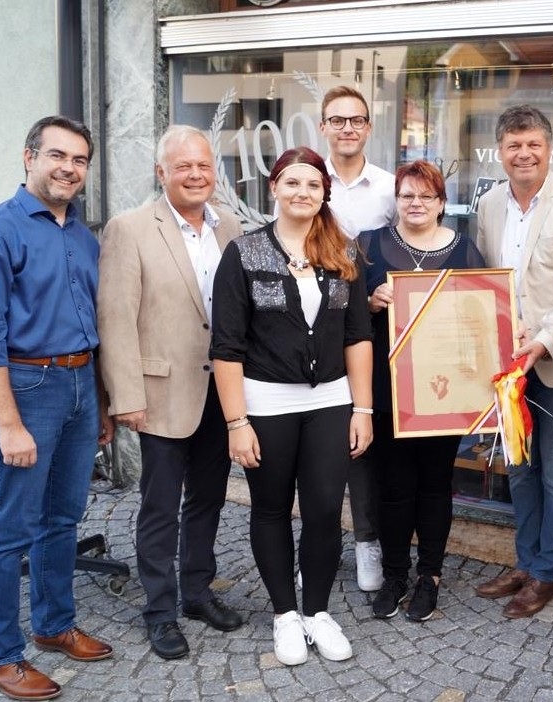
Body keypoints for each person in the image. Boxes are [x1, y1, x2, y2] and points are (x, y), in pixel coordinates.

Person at [210, 147, 373, 666]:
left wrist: (363, 409)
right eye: (292, 183)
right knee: (272, 507)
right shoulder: (245, 253)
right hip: (266, 401)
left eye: (313, 184)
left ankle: (318, 611)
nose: (303, 192)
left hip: (331, 400)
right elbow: (226, 346)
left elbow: (358, 338)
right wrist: (237, 422)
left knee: (325, 509)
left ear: (325, 193)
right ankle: (284, 613)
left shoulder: (343, 252)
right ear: (274, 189)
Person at [97, 125, 245, 660]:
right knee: (160, 506)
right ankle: (159, 610)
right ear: (162, 172)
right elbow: (114, 318)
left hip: (219, 392)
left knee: (208, 500)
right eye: (183, 166)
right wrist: (125, 395)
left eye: (203, 165)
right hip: (158, 393)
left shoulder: (229, 227)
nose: (195, 175)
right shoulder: (130, 228)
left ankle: (197, 592)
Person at [0, 116, 113, 701]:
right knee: (9, 529)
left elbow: (96, 324)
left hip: (81, 383)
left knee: (62, 518)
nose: (69, 167)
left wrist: (102, 403)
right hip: (26, 386)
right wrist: (8, 422)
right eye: (58, 155)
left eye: (80, 160)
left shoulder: (84, 237)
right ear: (29, 156)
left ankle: (54, 624)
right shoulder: (0, 230)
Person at [474, 104, 553, 618]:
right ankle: (525, 563)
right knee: (520, 470)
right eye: (513, 145)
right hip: (506, 367)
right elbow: (484, 281)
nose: (523, 154)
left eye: (533, 145)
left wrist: (542, 342)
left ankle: (547, 573)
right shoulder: (488, 205)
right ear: (501, 152)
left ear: (548, 149)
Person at [359, 160, 486, 622]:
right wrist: (370, 301)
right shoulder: (369, 246)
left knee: (435, 485)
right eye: (407, 195)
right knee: (392, 486)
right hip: (387, 388)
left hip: (443, 392)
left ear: (440, 203)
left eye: (426, 196)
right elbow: (347, 316)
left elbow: (480, 323)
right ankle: (395, 574)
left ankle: (429, 576)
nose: (416, 204)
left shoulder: (464, 250)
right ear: (397, 199)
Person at [319, 85, 396, 592]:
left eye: (357, 120)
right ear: (323, 127)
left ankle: (368, 540)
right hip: (309, 329)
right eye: (337, 120)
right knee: (319, 441)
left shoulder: (391, 189)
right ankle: (319, 543)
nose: (348, 128)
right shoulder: (305, 180)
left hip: (370, 328)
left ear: (369, 128)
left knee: (364, 436)